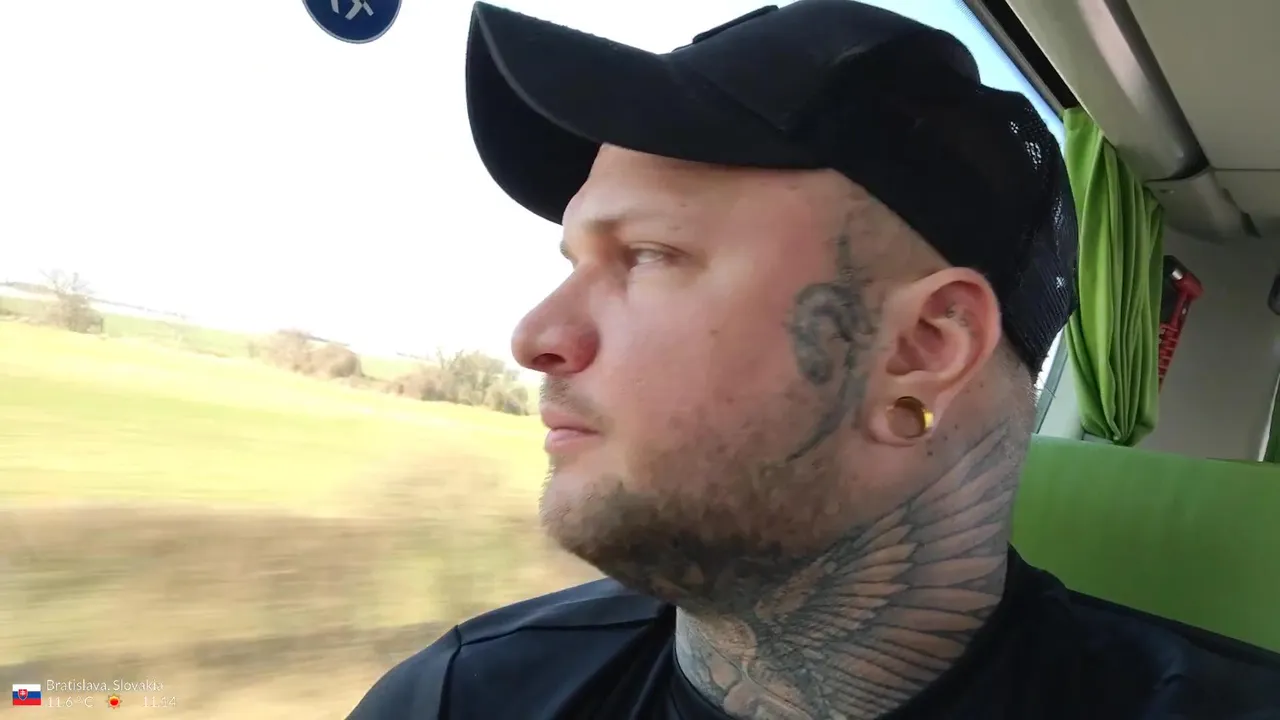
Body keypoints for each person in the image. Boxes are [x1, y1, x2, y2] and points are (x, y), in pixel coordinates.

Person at [349, 1, 1280, 718]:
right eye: (572, 261)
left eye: (648, 255)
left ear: (923, 348)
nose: (534, 335)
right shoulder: (461, 697)